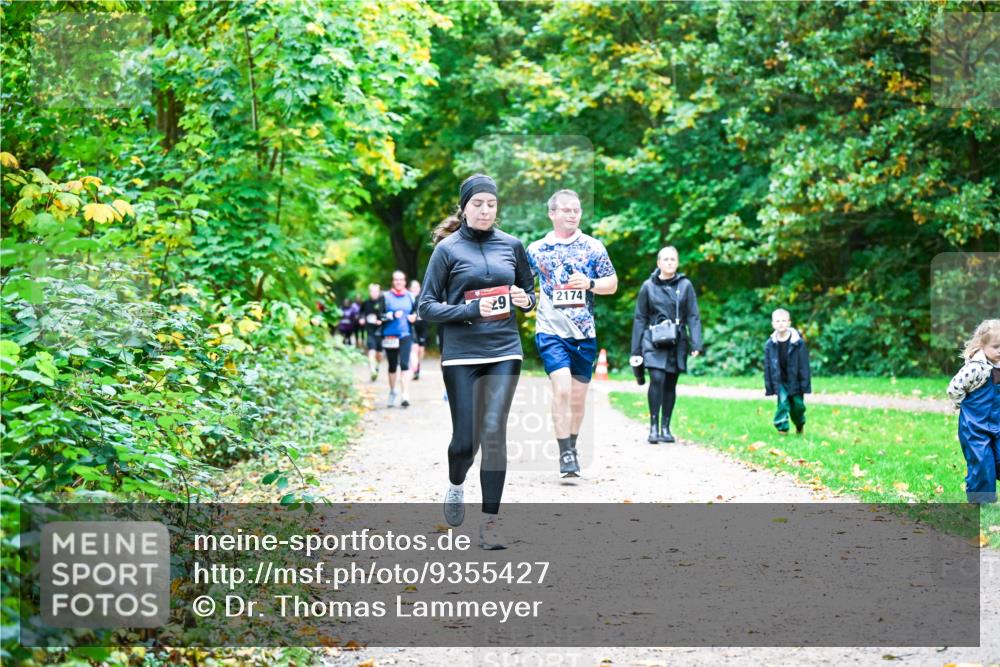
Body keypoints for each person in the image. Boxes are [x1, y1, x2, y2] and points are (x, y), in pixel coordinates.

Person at [418, 174, 535, 549]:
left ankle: (491, 523)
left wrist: (524, 300)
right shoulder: (447, 250)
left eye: (491, 204)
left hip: (504, 349)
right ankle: (456, 484)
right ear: (465, 207)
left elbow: (530, 292)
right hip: (461, 355)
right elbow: (426, 307)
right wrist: (470, 309)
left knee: (494, 434)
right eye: (478, 204)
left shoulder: (513, 245)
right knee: (465, 441)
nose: (485, 210)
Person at [526, 189, 617, 477]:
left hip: (583, 333)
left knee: (578, 398)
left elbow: (612, 283)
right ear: (552, 214)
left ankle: (572, 446)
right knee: (562, 388)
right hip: (550, 331)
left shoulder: (593, 247)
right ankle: (564, 452)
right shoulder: (536, 249)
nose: (572, 214)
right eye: (565, 210)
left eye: (576, 209)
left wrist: (589, 283)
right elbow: (524, 285)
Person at [630, 246, 703, 444]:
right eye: (666, 259)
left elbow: (693, 315)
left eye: (673, 259)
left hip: (676, 340)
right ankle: (653, 427)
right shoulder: (648, 286)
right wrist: (635, 348)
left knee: (670, 383)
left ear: (677, 263)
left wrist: (696, 343)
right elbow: (640, 317)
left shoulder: (685, 285)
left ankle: (666, 428)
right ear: (658, 263)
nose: (670, 262)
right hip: (652, 339)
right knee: (656, 378)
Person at [946, 319, 1000, 504]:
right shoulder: (975, 368)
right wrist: (962, 406)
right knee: (982, 462)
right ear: (982, 346)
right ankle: (980, 500)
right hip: (975, 425)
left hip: (997, 423)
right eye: (996, 346)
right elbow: (954, 388)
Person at [763, 308, 812, 436]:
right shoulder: (770, 344)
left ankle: (799, 423)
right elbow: (768, 366)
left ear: (789, 323)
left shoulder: (798, 343)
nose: (780, 323)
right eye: (777, 321)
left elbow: (804, 365)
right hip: (780, 381)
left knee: (798, 407)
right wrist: (770, 386)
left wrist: (805, 384)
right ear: (773, 324)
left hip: (795, 381)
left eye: (784, 321)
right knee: (783, 404)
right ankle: (782, 429)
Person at [381, 270, 418, 408]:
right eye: (396, 279)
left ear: (405, 281)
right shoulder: (385, 296)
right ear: (393, 281)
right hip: (389, 335)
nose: (398, 282)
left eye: (401, 280)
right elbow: (380, 316)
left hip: (405, 335)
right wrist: (391, 315)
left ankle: (405, 395)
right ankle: (392, 392)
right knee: (392, 366)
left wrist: (414, 317)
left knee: (404, 364)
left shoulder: (410, 296)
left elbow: (416, 312)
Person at [361, 283, 386, 381]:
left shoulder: (382, 302)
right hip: (370, 331)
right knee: (371, 351)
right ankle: (372, 370)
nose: (374, 293)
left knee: (379, 355)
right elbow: (361, 313)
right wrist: (361, 319)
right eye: (372, 291)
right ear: (369, 292)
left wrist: (381, 321)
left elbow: (386, 315)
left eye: (376, 291)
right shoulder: (366, 303)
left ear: (379, 292)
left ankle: (377, 366)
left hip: (380, 332)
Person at [408, 279, 429, 380]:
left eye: (417, 287)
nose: (415, 289)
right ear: (410, 288)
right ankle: (415, 369)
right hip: (412, 326)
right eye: (413, 287)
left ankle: (418, 366)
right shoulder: (408, 299)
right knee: (414, 348)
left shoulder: (424, 298)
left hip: (423, 326)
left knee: (421, 350)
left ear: (420, 288)